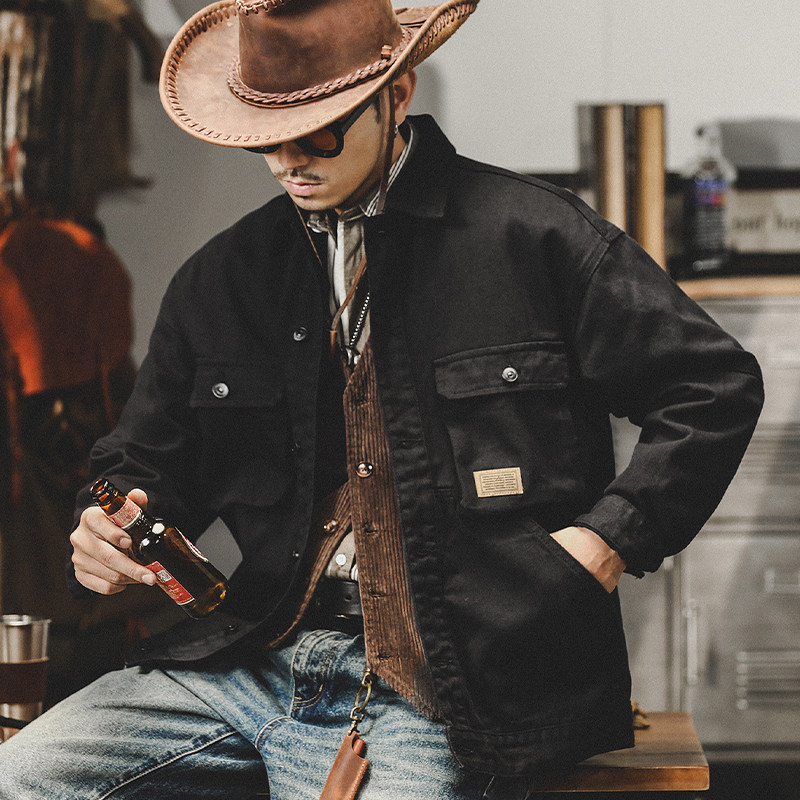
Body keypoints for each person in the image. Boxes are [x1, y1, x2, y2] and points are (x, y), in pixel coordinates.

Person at [0, 1, 763, 798]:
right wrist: (104, 529)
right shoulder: (223, 277)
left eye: (317, 132)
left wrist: (607, 541)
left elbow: (712, 387)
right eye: (265, 137)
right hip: (249, 659)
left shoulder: (535, 237)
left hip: (451, 679)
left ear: (397, 96)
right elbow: (142, 461)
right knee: (20, 777)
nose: (287, 161)